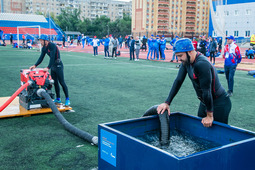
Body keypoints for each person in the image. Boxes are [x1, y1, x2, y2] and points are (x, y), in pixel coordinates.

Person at [157, 38, 231, 127]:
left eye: (180, 55)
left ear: (190, 52)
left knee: (218, 134)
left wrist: (209, 115)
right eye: (177, 56)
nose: (179, 59)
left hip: (219, 103)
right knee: (201, 130)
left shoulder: (201, 64)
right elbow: (178, 81)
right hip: (205, 101)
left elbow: (206, 90)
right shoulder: (186, 61)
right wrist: (167, 102)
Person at [29, 34, 70, 106]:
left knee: (62, 82)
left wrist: (48, 67)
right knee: (55, 83)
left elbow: (52, 57)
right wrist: (35, 65)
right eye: (40, 41)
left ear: (46, 41)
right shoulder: (44, 48)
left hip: (58, 66)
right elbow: (41, 57)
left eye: (41, 41)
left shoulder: (52, 46)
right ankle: (58, 98)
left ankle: (67, 99)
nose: (40, 42)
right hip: (53, 66)